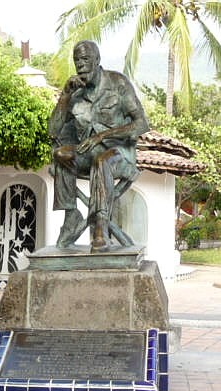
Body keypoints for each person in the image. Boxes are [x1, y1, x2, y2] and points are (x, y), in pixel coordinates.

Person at [48, 40, 149, 252]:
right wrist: (64, 97)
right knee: (60, 154)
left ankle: (100, 229)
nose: (81, 65)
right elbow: (53, 131)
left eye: (85, 59)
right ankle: (72, 216)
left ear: (97, 60)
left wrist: (104, 135)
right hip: (89, 155)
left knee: (102, 161)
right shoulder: (75, 95)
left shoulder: (117, 83)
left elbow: (141, 123)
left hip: (120, 155)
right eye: (77, 60)